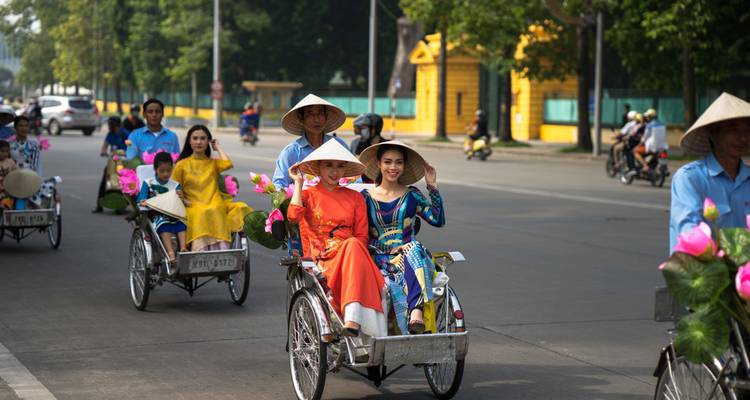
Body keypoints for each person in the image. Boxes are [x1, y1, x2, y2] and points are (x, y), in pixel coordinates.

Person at [286, 139, 387, 337]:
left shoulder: (355, 197)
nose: (334, 171)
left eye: (340, 166)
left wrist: (348, 248)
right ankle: (353, 317)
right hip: (321, 257)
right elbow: (293, 216)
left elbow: (361, 236)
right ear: (318, 168)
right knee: (352, 245)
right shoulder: (308, 194)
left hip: (350, 254)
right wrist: (298, 183)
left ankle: (352, 318)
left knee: (353, 243)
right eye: (329, 165)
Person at [359, 141, 444, 335]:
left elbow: (437, 220)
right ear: (379, 164)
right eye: (387, 162)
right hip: (377, 259)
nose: (393, 167)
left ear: (404, 166)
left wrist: (432, 187)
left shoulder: (412, 195)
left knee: (412, 248)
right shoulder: (365, 197)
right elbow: (359, 232)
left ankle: (416, 312)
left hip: (411, 259)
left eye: (398, 162)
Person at [670, 92, 750, 251]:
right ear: (713, 133)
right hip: (706, 272)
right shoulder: (690, 178)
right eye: (733, 130)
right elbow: (688, 231)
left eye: (747, 131)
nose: (743, 138)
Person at [172, 125, 252, 251]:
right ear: (189, 141)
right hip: (192, 204)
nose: (199, 142)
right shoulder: (181, 165)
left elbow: (227, 163)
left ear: (208, 141)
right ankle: (200, 251)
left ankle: (222, 251)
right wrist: (183, 199)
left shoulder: (212, 163)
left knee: (235, 208)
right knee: (201, 212)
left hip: (214, 202)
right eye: (195, 138)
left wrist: (217, 147)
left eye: (203, 138)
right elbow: (174, 187)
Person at [272, 94, 349, 188]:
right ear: (301, 119)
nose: (316, 119)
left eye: (320, 113)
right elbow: (279, 186)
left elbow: (355, 178)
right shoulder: (291, 152)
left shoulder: (339, 145)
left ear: (326, 117)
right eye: (310, 114)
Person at [136, 152, 188, 263]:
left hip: (174, 214)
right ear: (155, 169)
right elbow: (141, 199)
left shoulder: (175, 185)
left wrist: (182, 197)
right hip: (157, 214)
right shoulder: (148, 183)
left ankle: (183, 248)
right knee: (164, 226)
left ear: (172, 168)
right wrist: (144, 201)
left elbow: (180, 203)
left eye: (169, 171)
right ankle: (170, 252)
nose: (166, 174)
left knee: (182, 224)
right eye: (162, 171)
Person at [92, 117, 131, 213]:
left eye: (110, 124)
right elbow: (104, 146)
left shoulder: (125, 134)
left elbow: (132, 147)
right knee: (105, 180)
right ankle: (99, 205)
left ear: (116, 125)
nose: (109, 126)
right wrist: (103, 152)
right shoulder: (110, 134)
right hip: (112, 163)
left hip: (124, 163)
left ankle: (123, 204)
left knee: (124, 183)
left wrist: (127, 154)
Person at [9, 116, 42, 208]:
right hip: (12, 179)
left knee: (37, 206)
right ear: (15, 128)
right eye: (21, 126)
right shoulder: (9, 145)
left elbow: (35, 165)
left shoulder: (34, 146)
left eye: (26, 126)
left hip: (30, 178)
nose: (24, 128)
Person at [633, 108, 668, 173]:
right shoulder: (662, 124)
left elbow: (644, 138)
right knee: (664, 156)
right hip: (663, 147)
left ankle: (645, 166)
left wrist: (639, 144)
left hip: (652, 147)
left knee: (635, 151)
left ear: (649, 117)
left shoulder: (649, 126)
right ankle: (665, 168)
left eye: (647, 117)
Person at [0, 140, 17, 209]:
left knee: (6, 205)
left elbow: (15, 174)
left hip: (7, 191)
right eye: (2, 151)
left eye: (7, 151)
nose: (5, 153)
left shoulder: (11, 162)